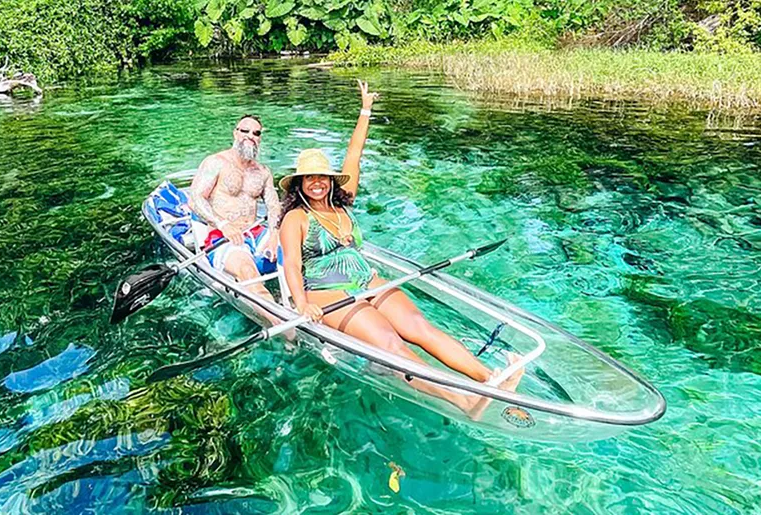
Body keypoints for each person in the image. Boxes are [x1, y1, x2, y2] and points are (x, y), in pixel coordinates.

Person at [278, 81, 523, 418]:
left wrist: (365, 110)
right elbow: (292, 263)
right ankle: (465, 400)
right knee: (393, 346)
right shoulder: (296, 217)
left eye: (323, 176)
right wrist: (303, 304)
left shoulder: (342, 203)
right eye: (309, 178)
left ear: (331, 179)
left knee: (421, 329)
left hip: (367, 280)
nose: (317, 182)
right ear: (300, 184)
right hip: (327, 293)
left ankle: (490, 379)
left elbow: (354, 155)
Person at [189, 114, 281, 305]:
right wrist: (222, 224)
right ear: (235, 133)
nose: (250, 136)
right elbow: (195, 199)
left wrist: (274, 235)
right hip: (223, 235)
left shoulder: (263, 172)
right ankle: (287, 329)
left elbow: (273, 206)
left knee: (296, 255)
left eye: (256, 133)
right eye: (244, 131)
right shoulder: (216, 162)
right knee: (248, 272)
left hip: (256, 232)